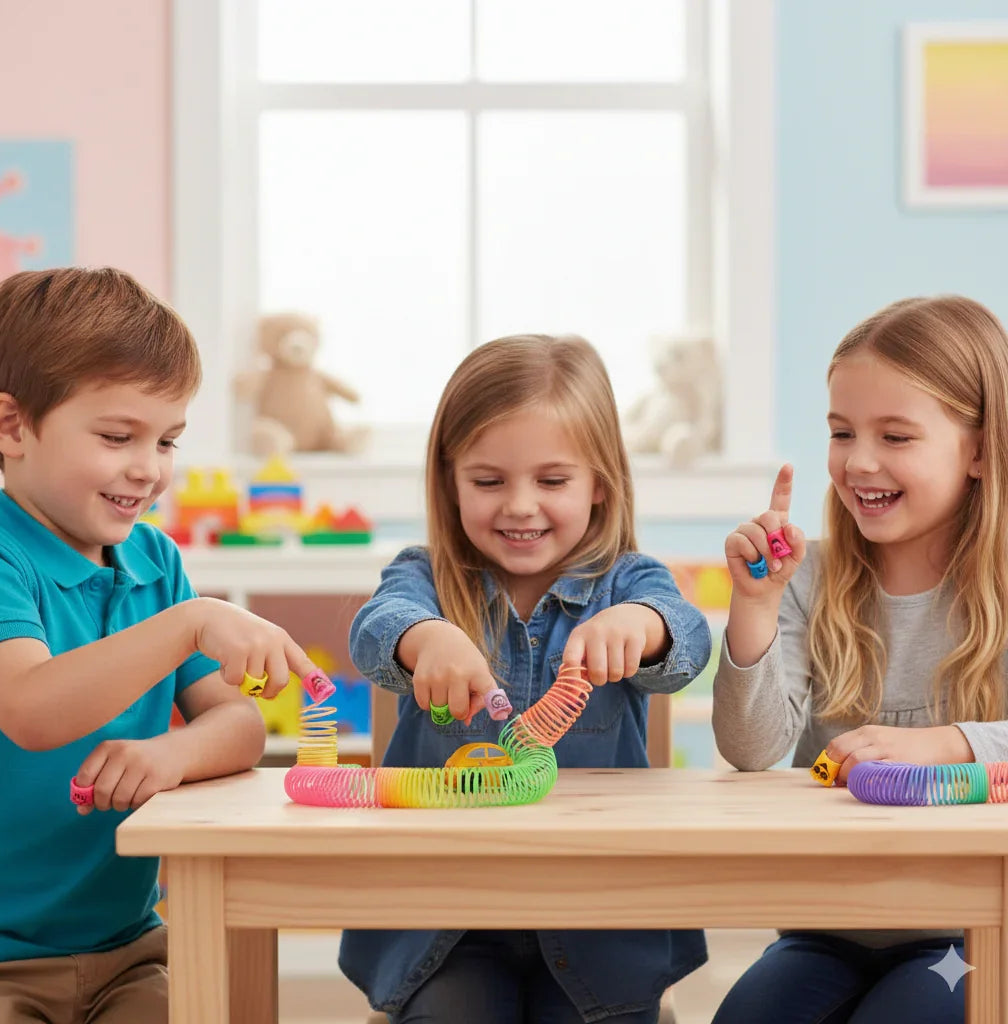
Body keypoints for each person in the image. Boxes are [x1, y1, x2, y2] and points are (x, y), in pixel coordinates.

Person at [341, 333, 712, 1023]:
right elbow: (376, 626)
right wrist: (428, 638)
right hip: (449, 927)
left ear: (599, 484)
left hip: (600, 921)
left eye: (551, 480)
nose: (518, 506)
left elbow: (686, 633)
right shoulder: (422, 578)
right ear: (450, 481)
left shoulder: (629, 581)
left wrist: (642, 624)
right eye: (488, 481)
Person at [0, 267, 317, 1024]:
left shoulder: (154, 561)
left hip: (130, 951)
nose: (150, 468)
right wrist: (190, 622)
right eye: (116, 436)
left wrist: (170, 756)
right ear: (11, 427)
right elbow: (30, 709)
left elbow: (239, 724)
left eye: (167, 439)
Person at [711, 295, 1008, 1024]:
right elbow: (753, 754)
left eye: (896, 436)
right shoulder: (808, 581)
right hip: (828, 925)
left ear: (978, 449)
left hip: (970, 932)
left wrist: (947, 745)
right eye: (842, 433)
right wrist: (753, 606)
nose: (859, 461)